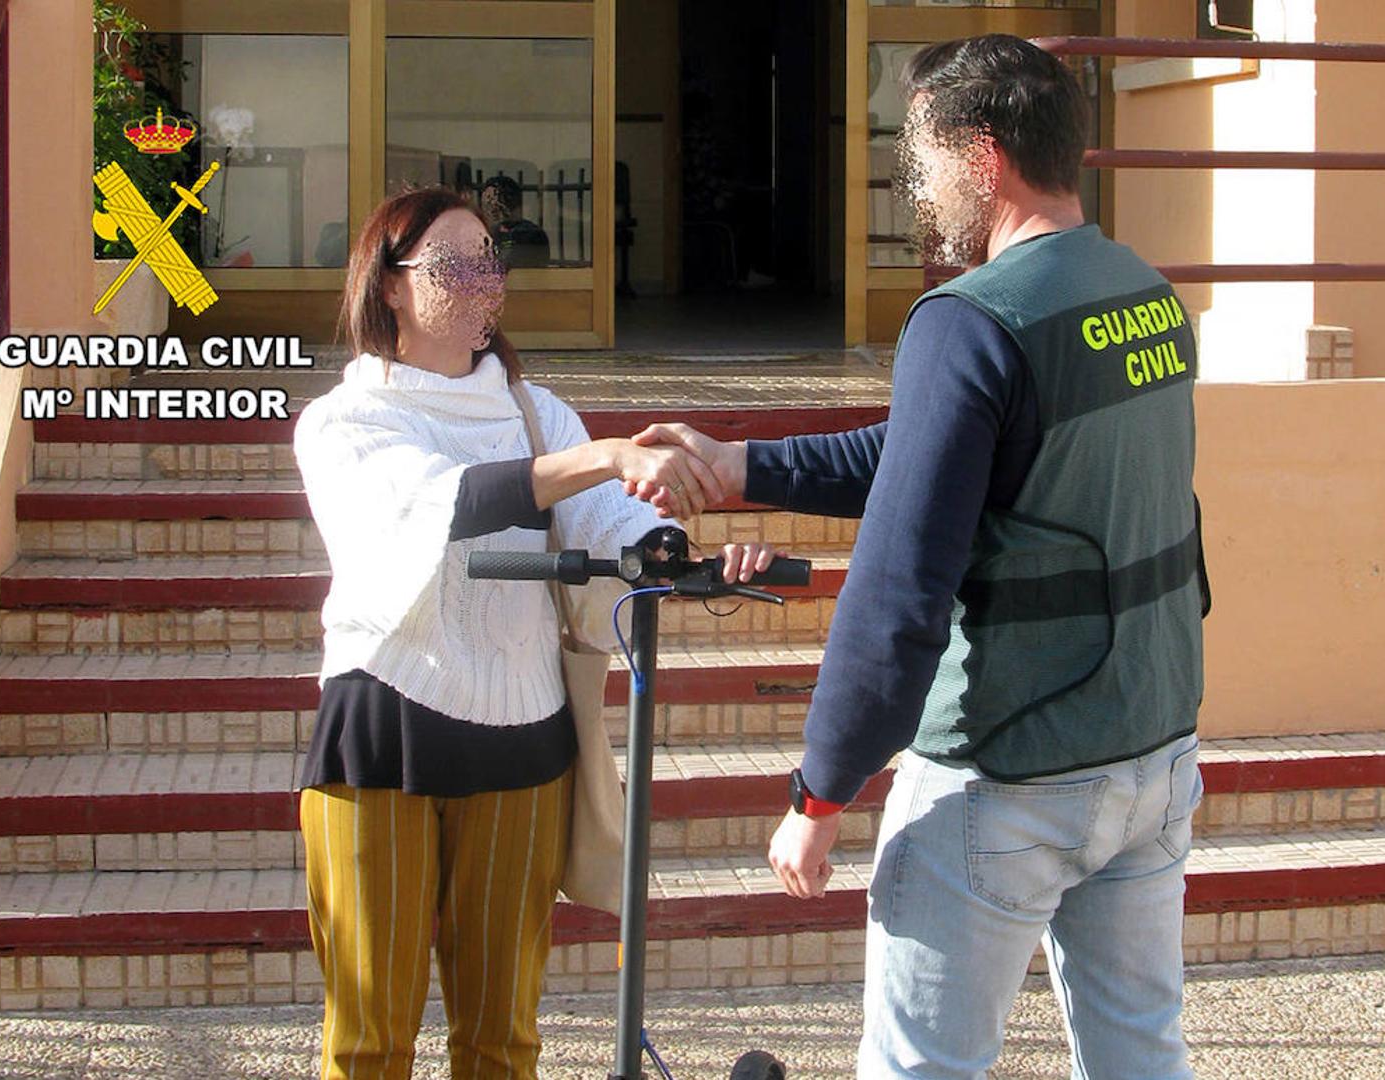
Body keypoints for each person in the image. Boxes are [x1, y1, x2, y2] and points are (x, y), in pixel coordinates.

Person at [632, 35, 1211, 1080]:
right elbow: (929, 461)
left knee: (921, 1067)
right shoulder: (1145, 295)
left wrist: (820, 793)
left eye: (927, 154)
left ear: (984, 159)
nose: (918, 182)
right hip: (1152, 756)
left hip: (1007, 775)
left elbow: (899, 594)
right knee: (1139, 1058)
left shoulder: (971, 323)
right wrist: (738, 467)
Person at [293, 185, 771, 1079]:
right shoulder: (345, 421)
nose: (483, 281)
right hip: (383, 733)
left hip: (526, 743)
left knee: (503, 1040)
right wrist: (602, 455)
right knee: (367, 1041)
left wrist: (684, 552)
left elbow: (612, 531)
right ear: (388, 285)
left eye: (491, 260)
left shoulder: (536, 412)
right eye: (454, 264)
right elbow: (441, 507)